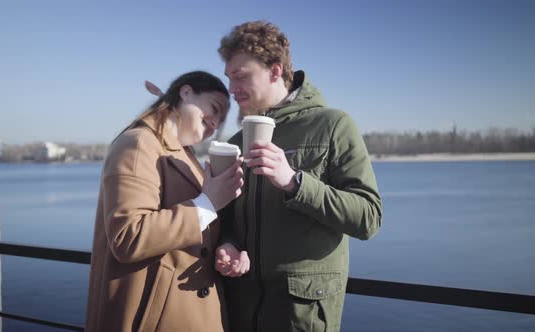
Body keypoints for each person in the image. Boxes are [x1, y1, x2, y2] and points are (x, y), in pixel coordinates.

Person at [214, 21, 383, 331]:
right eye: (229, 78)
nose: (232, 89)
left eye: (241, 76)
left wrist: (294, 182)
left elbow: (368, 218)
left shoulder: (333, 125)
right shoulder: (237, 142)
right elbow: (226, 220)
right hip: (240, 309)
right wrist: (227, 244)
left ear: (275, 71)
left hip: (302, 315)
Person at [85, 71, 244, 332]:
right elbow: (128, 237)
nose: (215, 124)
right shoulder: (137, 144)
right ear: (186, 92)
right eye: (214, 109)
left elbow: (201, 226)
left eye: (220, 120)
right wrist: (207, 204)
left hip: (186, 310)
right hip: (152, 318)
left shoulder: (183, 154)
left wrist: (227, 246)